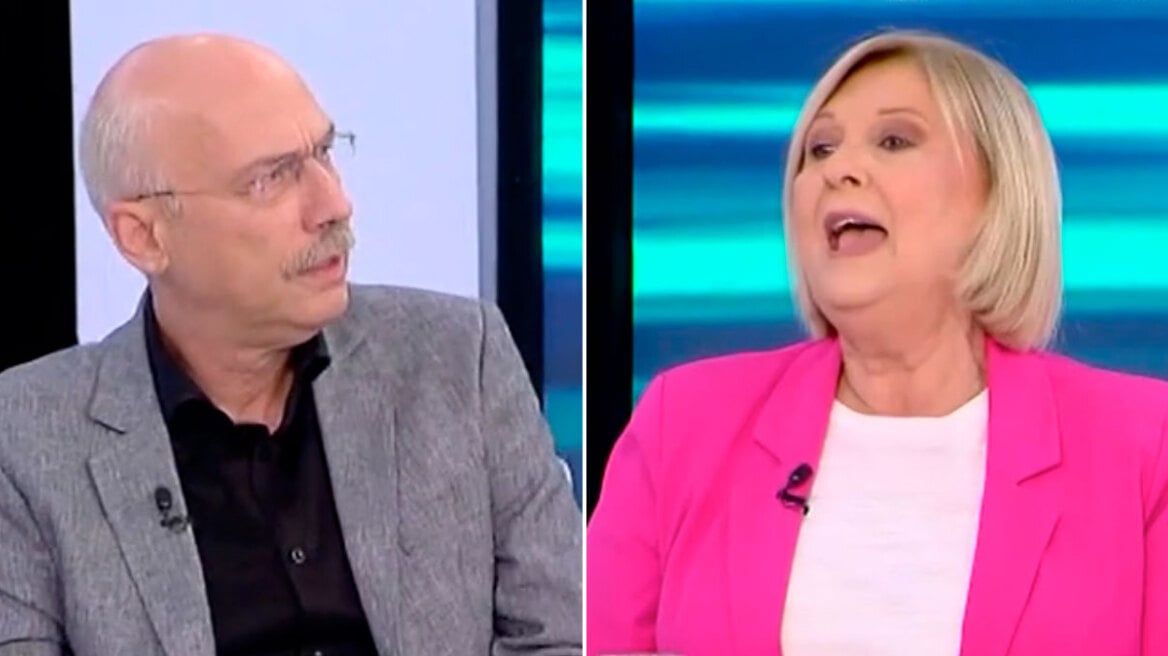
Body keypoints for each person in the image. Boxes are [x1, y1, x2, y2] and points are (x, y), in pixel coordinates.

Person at [587, 29, 1167, 656]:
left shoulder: (1142, 446)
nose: (838, 169)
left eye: (894, 141)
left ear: (998, 193)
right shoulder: (685, 423)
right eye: (820, 148)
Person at [0, 34, 581, 655]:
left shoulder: (460, 356)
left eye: (324, 152)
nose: (335, 205)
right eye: (269, 179)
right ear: (143, 236)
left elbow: (563, 634)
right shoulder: (25, 439)